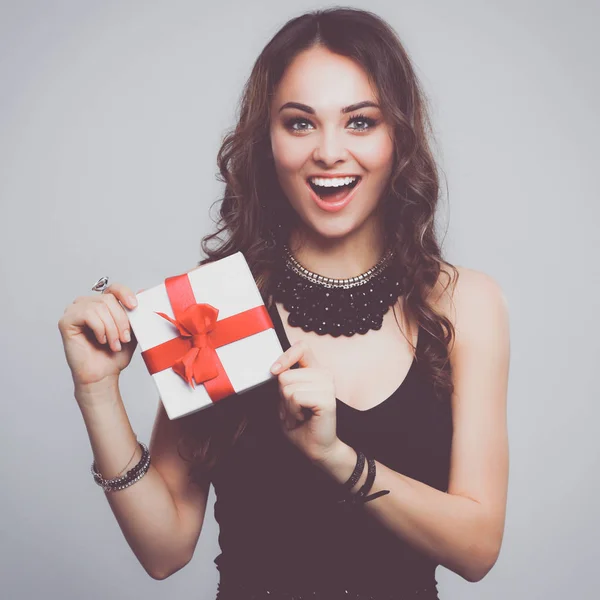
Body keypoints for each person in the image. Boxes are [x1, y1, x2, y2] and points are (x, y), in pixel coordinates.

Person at [58, 7, 510, 600]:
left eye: (360, 122)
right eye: (300, 124)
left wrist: (336, 458)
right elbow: (165, 551)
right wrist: (96, 393)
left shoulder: (463, 304)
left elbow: (476, 549)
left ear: (398, 134)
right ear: (267, 140)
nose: (328, 151)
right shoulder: (213, 308)